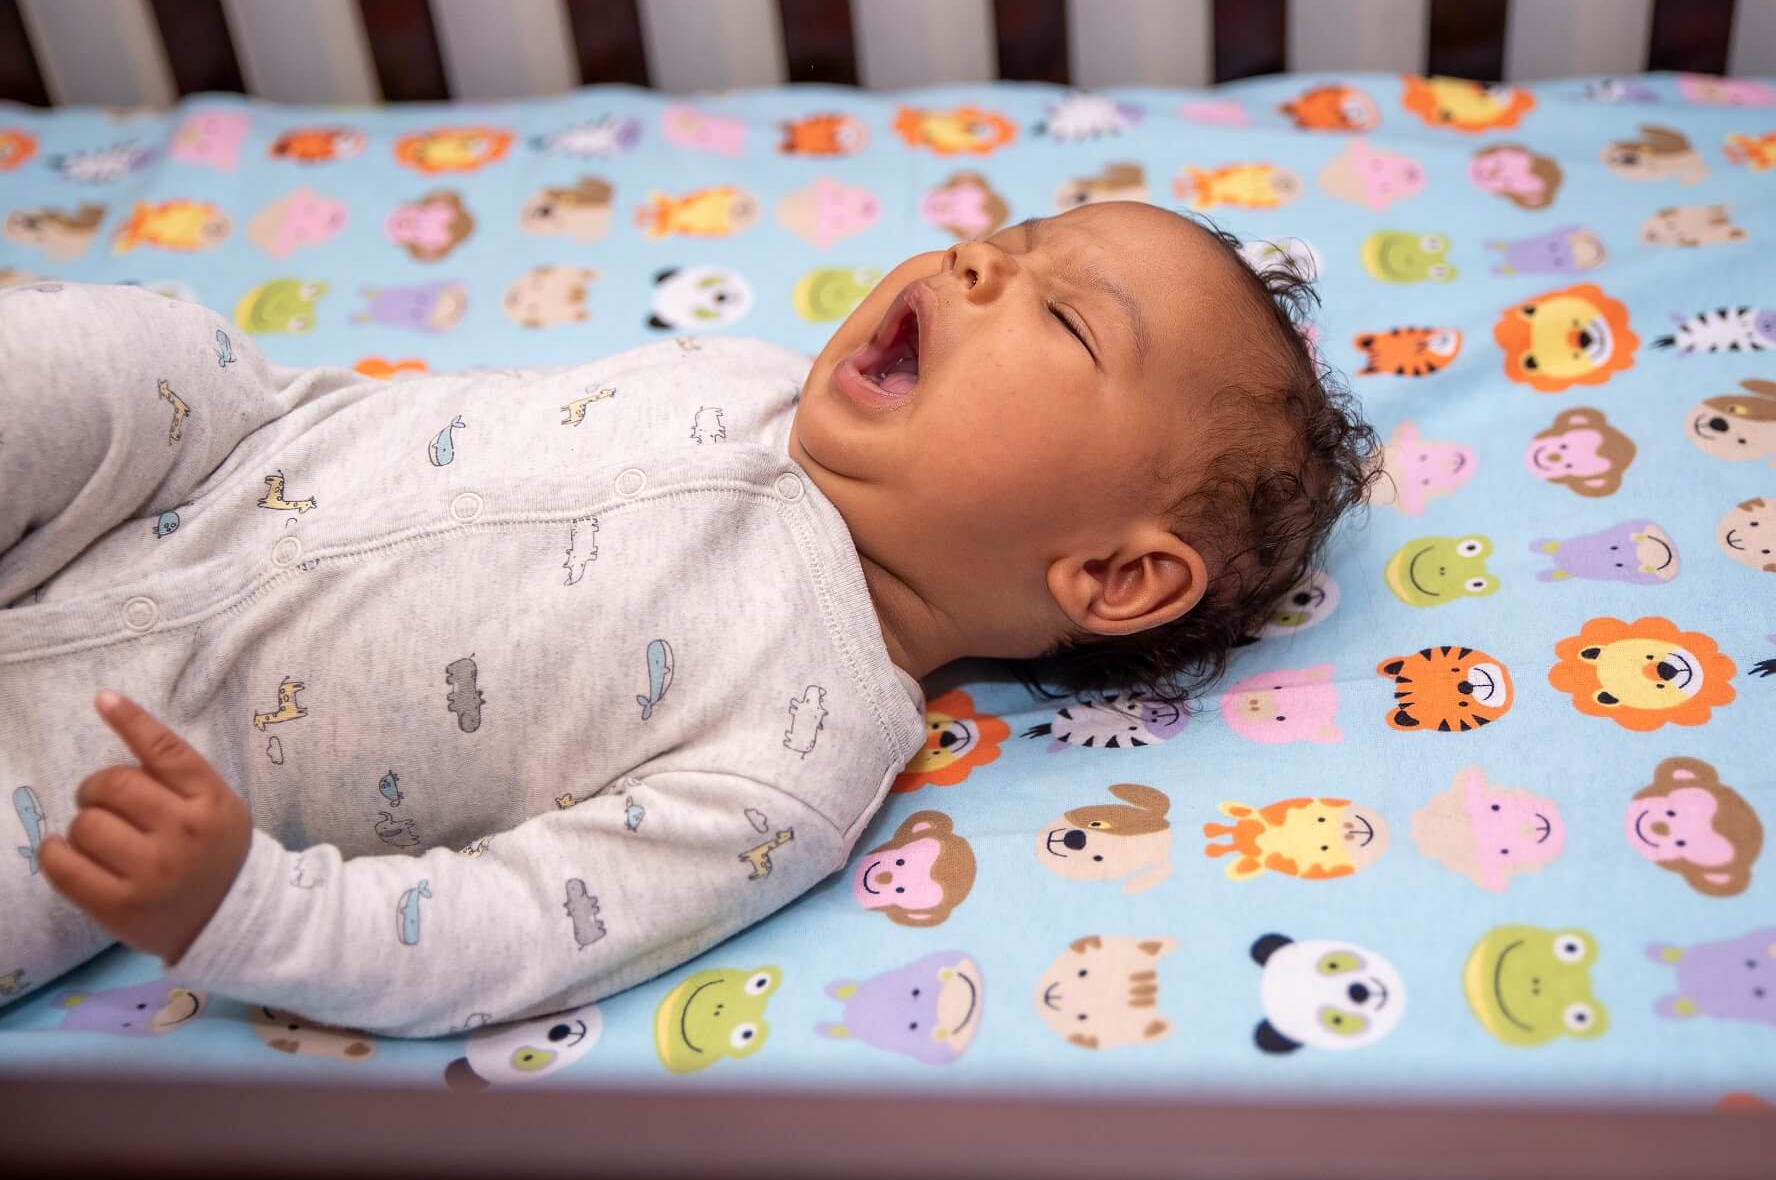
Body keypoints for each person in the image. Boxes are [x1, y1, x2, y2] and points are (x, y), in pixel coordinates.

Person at [0, 200, 1374, 1035]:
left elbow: (516, 932)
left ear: (1116, 580)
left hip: (102, 775)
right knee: (124, 355)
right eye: (1011, 241)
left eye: (1069, 322)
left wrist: (244, 904)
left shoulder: (800, 753)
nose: (972, 264)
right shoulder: (748, 369)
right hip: (200, 452)